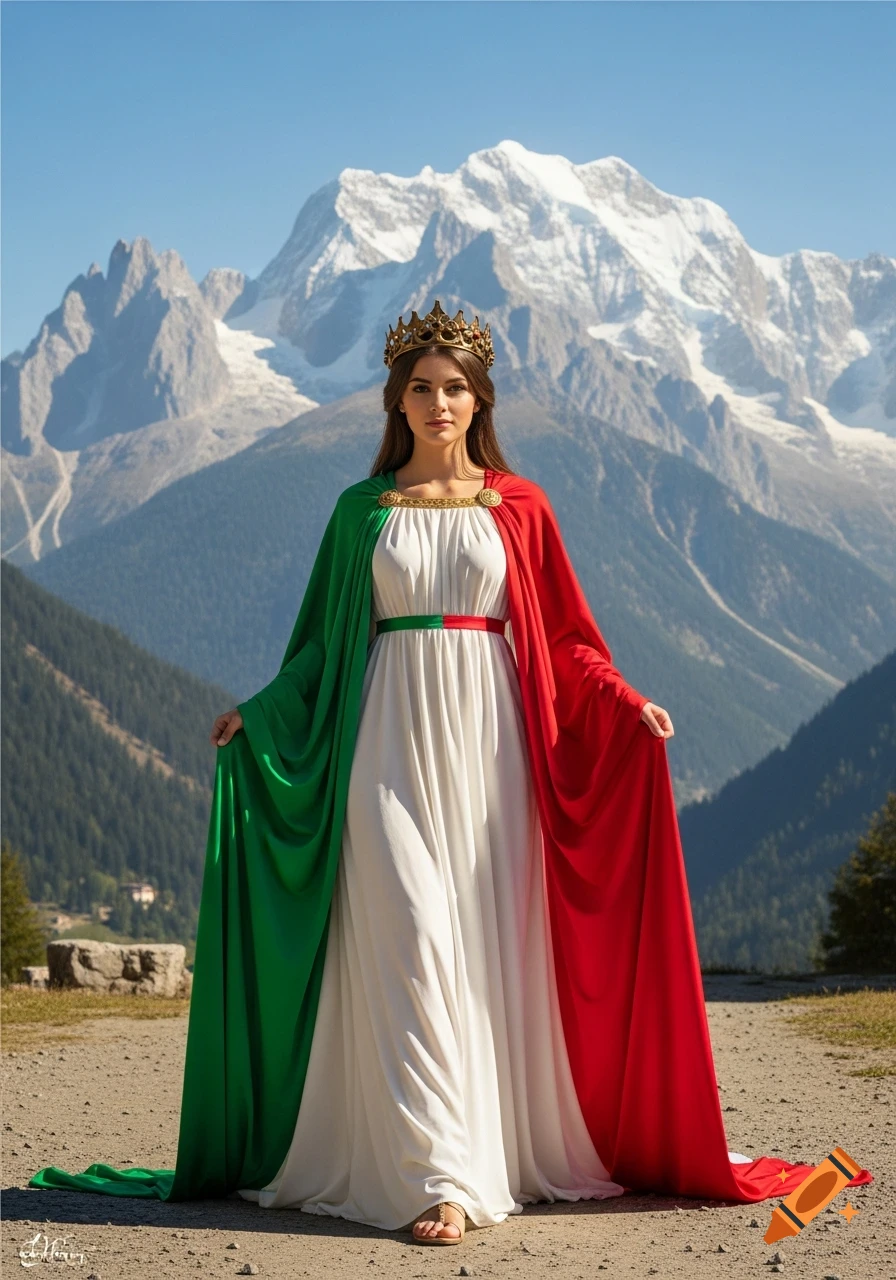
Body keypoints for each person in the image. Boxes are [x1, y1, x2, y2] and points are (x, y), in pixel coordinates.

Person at [28, 302, 871, 1240]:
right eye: (420, 389)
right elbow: (315, 648)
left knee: (477, 957)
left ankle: (479, 1156)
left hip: (492, 754)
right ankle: (436, 1176)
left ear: (480, 402)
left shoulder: (520, 505)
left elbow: (563, 639)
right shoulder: (361, 511)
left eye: (455, 389)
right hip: (383, 742)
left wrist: (626, 701)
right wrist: (259, 712)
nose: (438, 403)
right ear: (397, 402)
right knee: (412, 934)